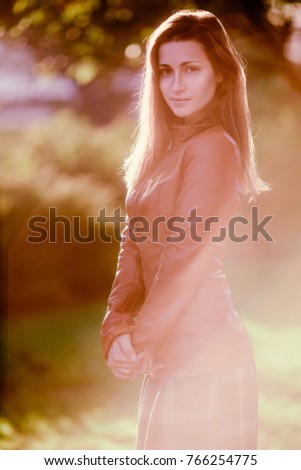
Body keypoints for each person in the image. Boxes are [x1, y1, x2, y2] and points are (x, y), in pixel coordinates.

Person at [100, 9, 270, 450]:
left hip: (206, 361)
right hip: (167, 361)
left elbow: (185, 257)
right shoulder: (160, 153)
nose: (175, 84)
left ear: (220, 76)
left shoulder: (214, 147)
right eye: (165, 71)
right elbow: (132, 249)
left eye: (191, 69)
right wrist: (115, 328)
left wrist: (137, 339)